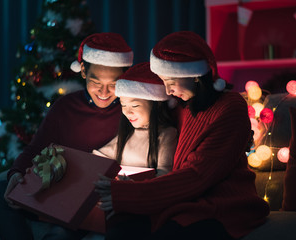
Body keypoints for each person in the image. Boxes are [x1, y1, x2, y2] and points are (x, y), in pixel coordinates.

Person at [95, 31, 270, 240]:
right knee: (120, 230)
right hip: (182, 201)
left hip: (223, 206)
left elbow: (197, 175)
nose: (167, 91)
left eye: (170, 81)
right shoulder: (180, 106)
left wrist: (130, 194)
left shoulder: (230, 108)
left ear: (194, 74)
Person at [0, 32, 133, 240]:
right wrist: (16, 173)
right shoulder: (65, 106)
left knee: (63, 232)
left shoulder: (131, 111)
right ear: (83, 71)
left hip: (95, 200)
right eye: (96, 81)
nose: (104, 91)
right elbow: (34, 149)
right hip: (56, 190)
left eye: (114, 84)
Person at [93, 62, 178, 177]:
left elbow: (164, 172)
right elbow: (98, 157)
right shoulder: (127, 135)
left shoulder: (166, 134)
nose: (127, 112)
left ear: (155, 104)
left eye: (135, 106)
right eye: (123, 106)